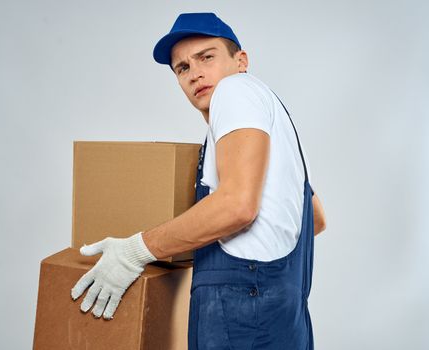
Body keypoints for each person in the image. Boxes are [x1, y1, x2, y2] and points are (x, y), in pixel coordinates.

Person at [71, 12, 327, 349]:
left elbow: (237, 205)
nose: (196, 74)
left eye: (207, 57)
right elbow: (315, 219)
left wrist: (134, 251)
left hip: (245, 318)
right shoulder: (268, 121)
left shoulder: (236, 91)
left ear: (241, 61)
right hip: (281, 320)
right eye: (183, 68)